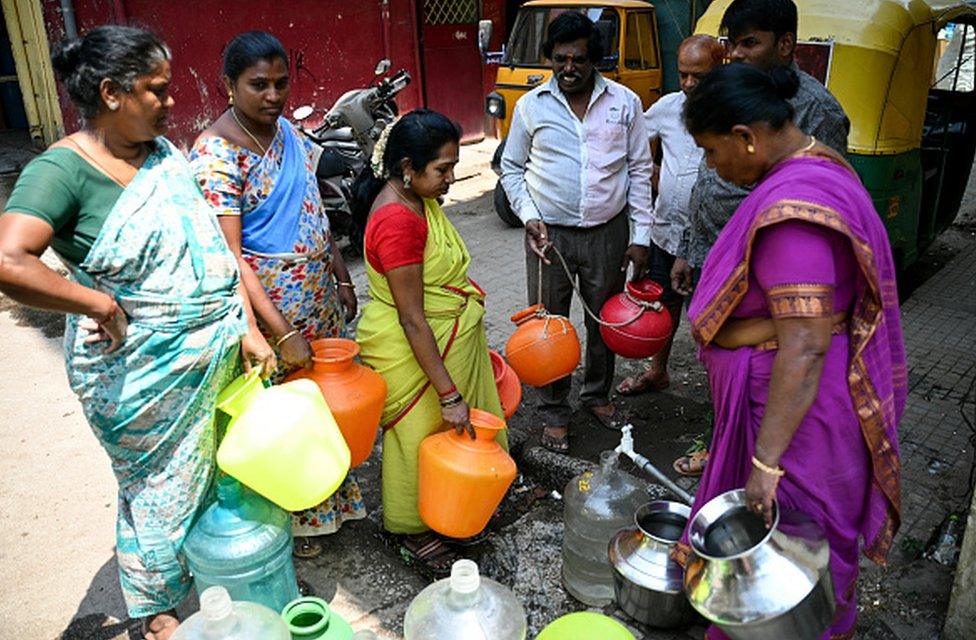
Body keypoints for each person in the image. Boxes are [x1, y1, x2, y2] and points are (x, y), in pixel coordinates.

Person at [0, 26, 275, 640]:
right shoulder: (63, 169)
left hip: (214, 352)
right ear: (112, 92)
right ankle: (160, 613)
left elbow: (213, 247)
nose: (172, 102)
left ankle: (215, 584)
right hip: (138, 370)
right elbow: (8, 260)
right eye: (158, 90)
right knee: (157, 493)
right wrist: (93, 300)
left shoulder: (163, 156)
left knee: (211, 478)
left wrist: (247, 326)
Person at [673, 62, 905, 639]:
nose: (712, 165)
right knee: (810, 552)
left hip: (799, 421)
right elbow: (811, 325)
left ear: (746, 137)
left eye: (710, 149)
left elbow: (802, 348)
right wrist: (746, 336)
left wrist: (764, 465)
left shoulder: (792, 213)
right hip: (812, 404)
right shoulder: (822, 167)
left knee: (789, 559)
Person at [189, 31, 365, 557]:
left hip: (318, 297)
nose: (272, 95)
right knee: (284, 420)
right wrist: (281, 330)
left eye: (281, 83)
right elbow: (230, 258)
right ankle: (288, 518)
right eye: (257, 85)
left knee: (324, 408)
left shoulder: (286, 132)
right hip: (268, 313)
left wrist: (340, 273)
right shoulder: (216, 154)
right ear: (228, 85)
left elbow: (314, 209)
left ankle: (325, 503)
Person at [354, 110, 506, 576]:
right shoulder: (398, 221)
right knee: (419, 438)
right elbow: (413, 320)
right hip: (413, 345)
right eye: (442, 169)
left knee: (444, 438)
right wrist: (450, 394)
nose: (452, 179)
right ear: (406, 167)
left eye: (453, 166)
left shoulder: (419, 201)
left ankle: (459, 501)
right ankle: (412, 527)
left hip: (442, 336)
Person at [500, 12, 653, 451]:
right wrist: (530, 215)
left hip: (609, 231)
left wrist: (641, 236)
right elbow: (511, 169)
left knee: (602, 321)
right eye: (560, 59)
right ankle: (553, 410)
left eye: (579, 60)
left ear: (595, 60)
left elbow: (641, 170)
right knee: (548, 325)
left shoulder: (625, 103)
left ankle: (597, 396)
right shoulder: (531, 106)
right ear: (550, 58)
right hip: (548, 237)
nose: (569, 68)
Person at [672, 0, 851, 294]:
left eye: (749, 43)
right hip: (711, 256)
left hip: (762, 273)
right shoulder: (735, 92)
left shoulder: (818, 111)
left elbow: (824, 214)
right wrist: (689, 249)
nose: (735, 54)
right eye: (731, 44)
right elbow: (706, 180)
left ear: (785, 43)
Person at [615, 35, 724, 402]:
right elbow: (634, 144)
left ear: (719, 69)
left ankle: (721, 395)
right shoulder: (667, 108)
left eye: (699, 76)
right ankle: (658, 371)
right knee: (664, 306)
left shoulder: (732, 112)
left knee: (711, 320)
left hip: (711, 242)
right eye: (684, 75)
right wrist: (653, 171)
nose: (690, 84)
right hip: (665, 231)